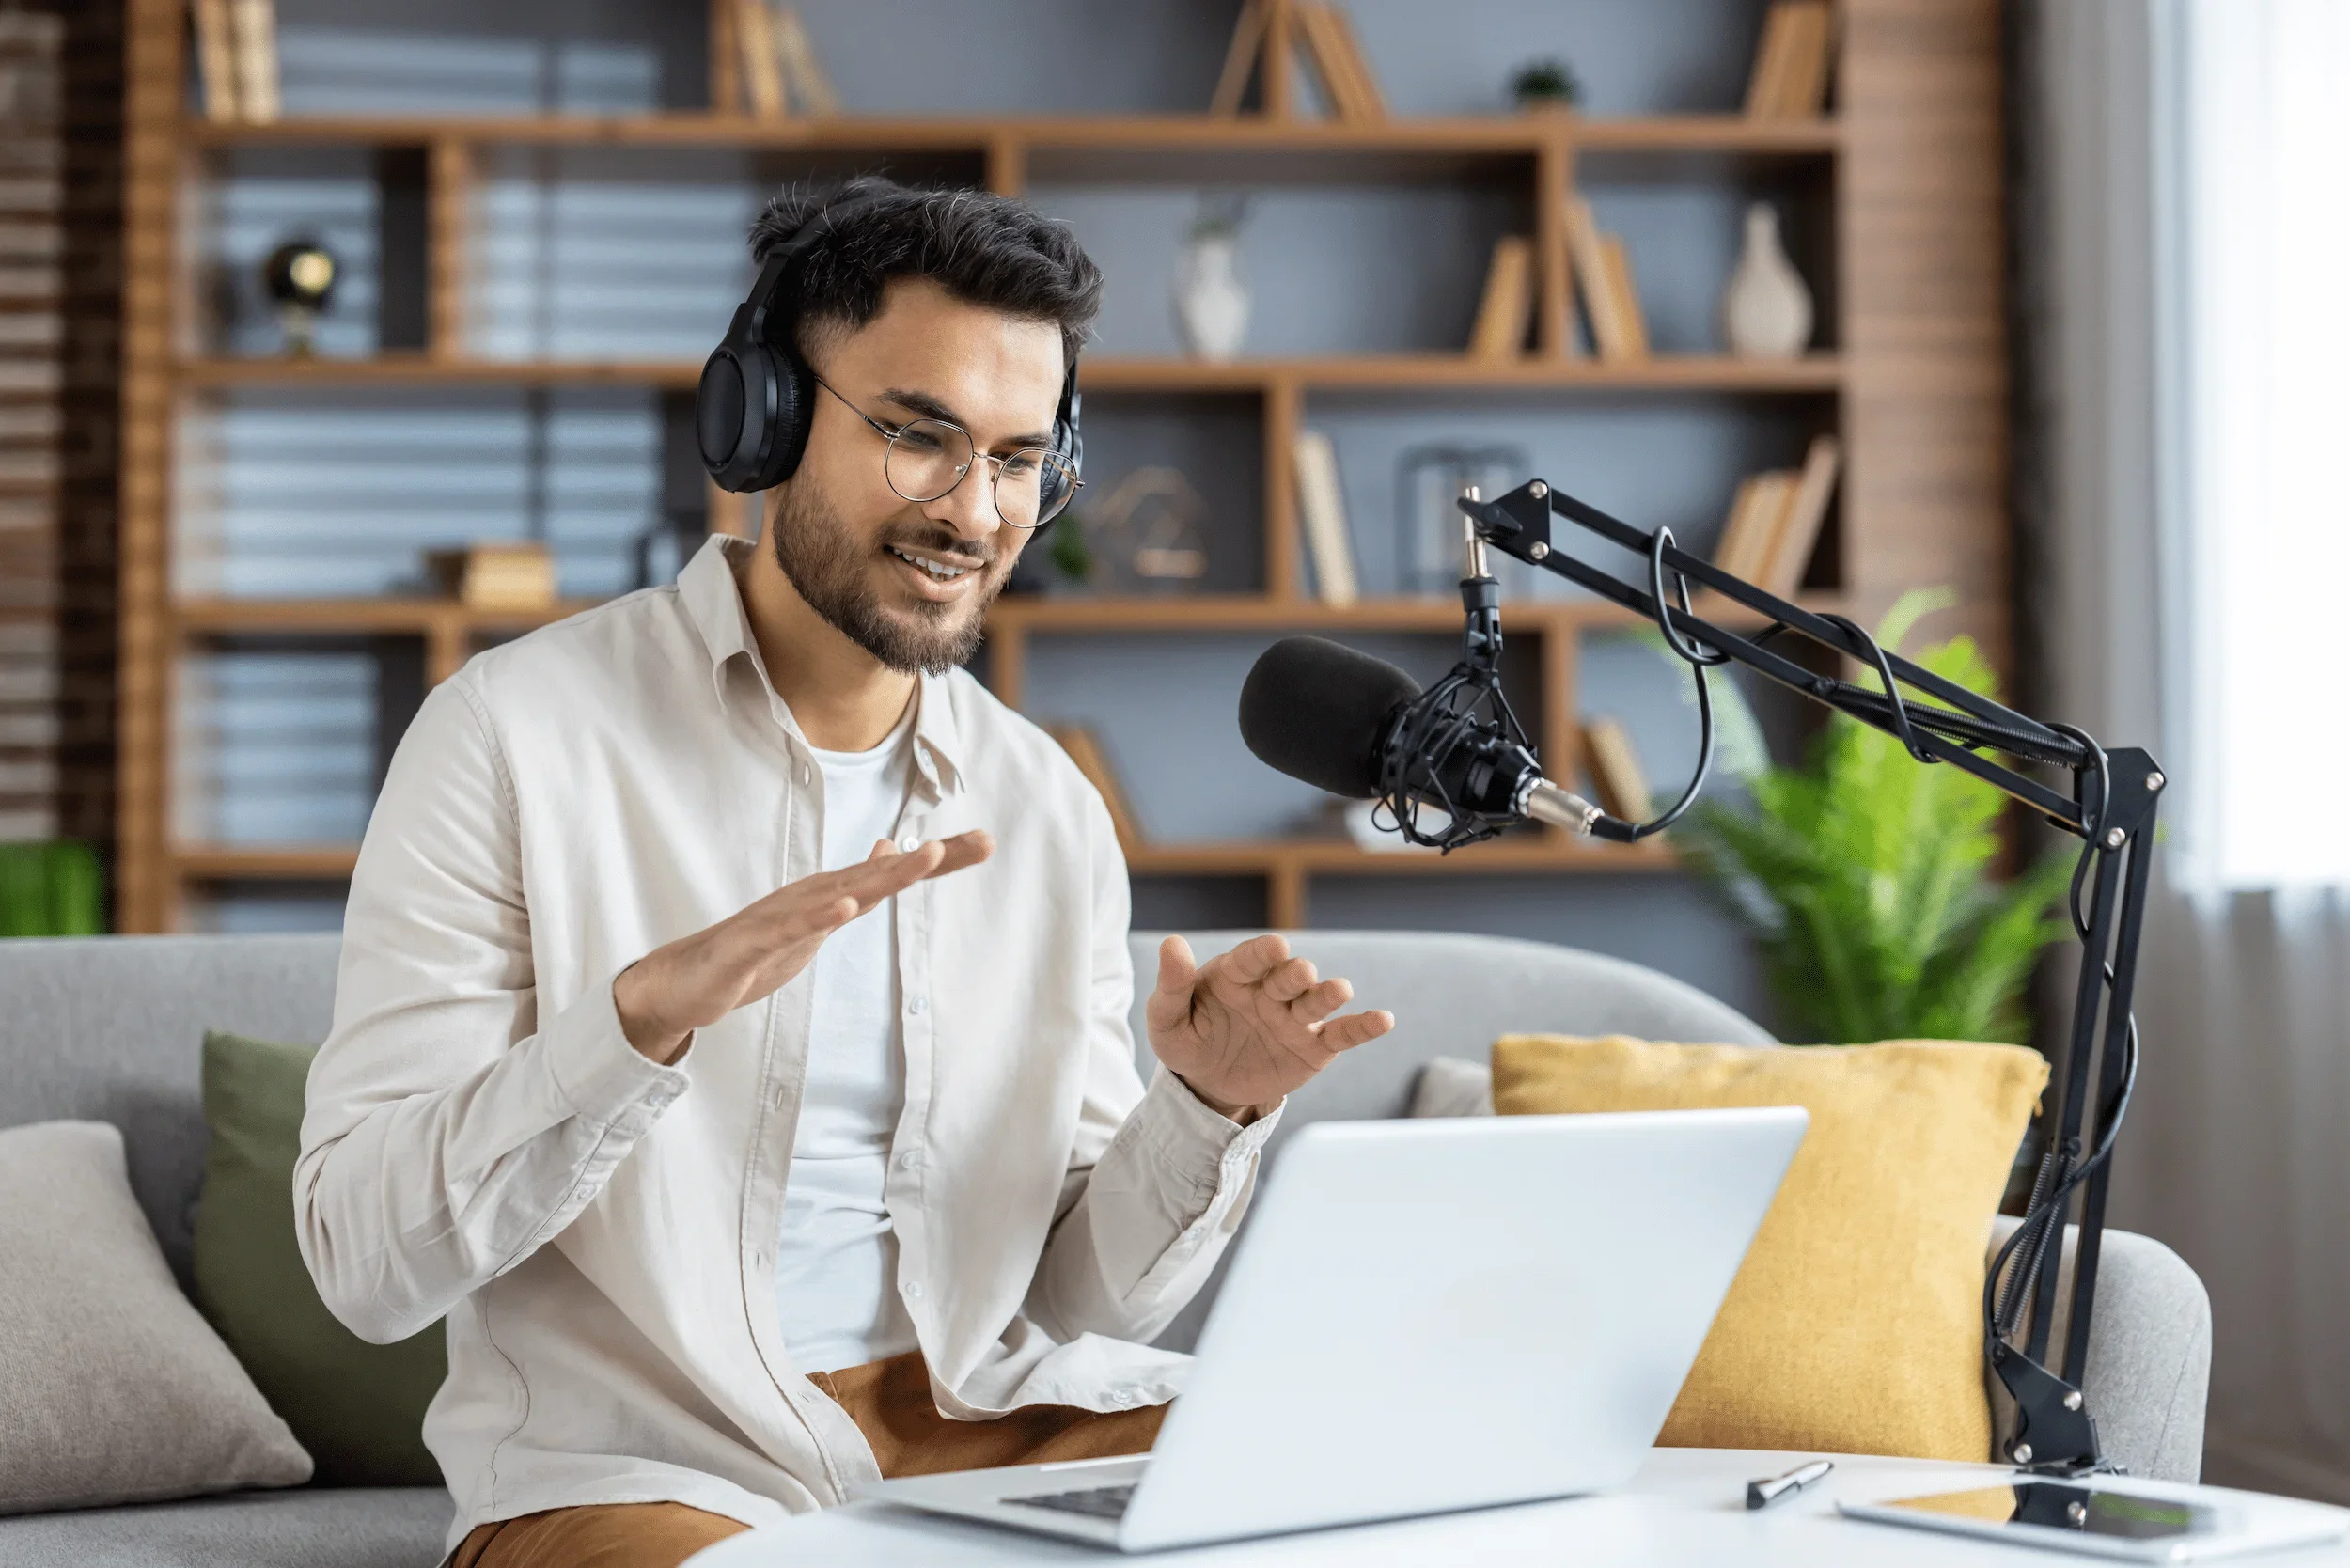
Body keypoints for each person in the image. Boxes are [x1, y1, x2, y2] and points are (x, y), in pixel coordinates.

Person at [294, 174, 1395, 1568]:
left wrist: (1210, 1109)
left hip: (972, 1425)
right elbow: (360, 1264)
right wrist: (631, 1026)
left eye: (1012, 459)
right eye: (919, 438)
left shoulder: (1043, 807)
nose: (973, 513)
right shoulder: (512, 737)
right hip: (643, 1467)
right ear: (762, 416)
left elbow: (1072, 1305)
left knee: (1370, 1497)